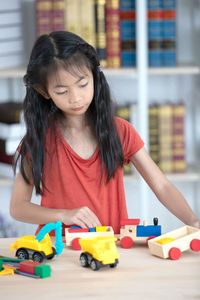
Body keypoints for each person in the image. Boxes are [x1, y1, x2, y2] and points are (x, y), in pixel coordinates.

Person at [10, 31, 200, 234]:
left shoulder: (120, 131)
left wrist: (193, 221)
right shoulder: (38, 140)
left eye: (82, 84)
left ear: (94, 76)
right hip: (58, 251)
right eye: (62, 91)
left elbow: (162, 186)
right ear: (44, 91)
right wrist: (63, 214)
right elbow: (18, 207)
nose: (76, 98)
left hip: (110, 248)